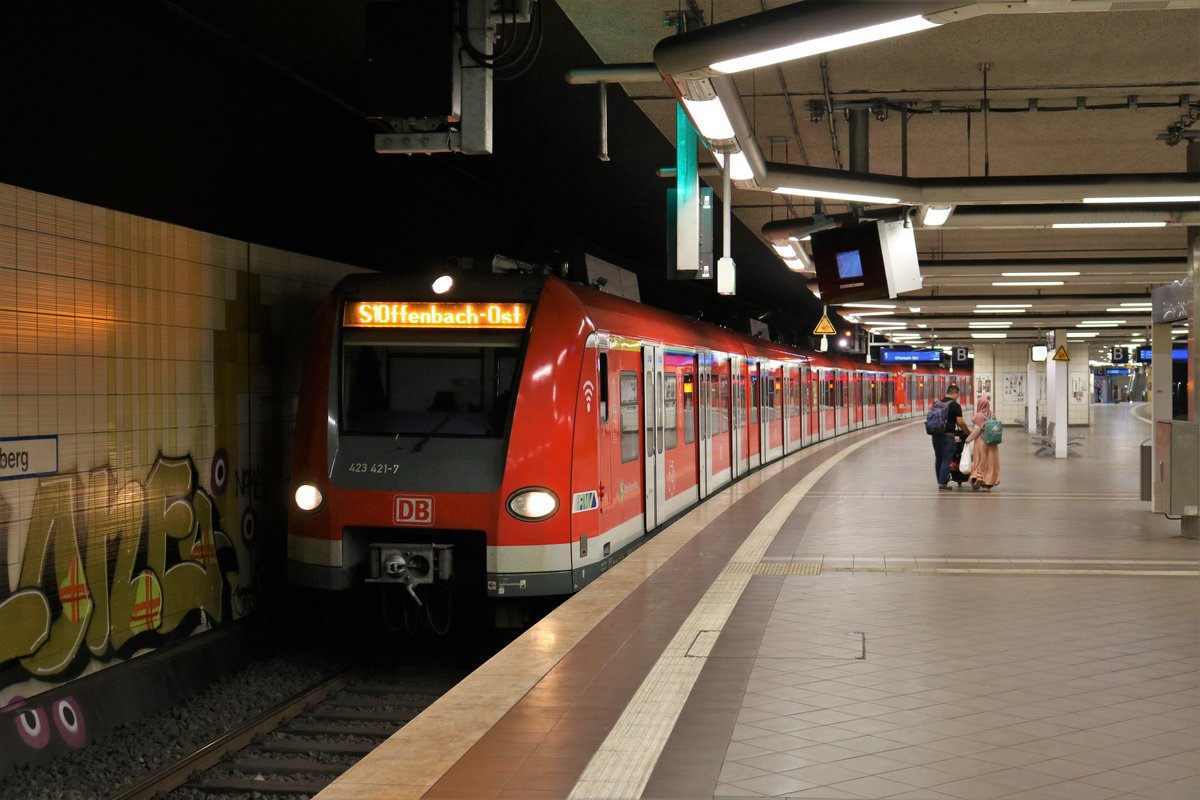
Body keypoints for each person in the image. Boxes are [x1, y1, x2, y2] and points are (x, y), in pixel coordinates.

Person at [933, 383, 971, 491]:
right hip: (948, 436)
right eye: (957, 395)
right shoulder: (955, 405)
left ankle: (940, 481)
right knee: (946, 459)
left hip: (935, 436)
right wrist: (968, 432)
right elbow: (960, 422)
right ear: (954, 393)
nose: (957, 397)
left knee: (938, 458)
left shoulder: (936, 403)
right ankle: (943, 484)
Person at [965, 394, 1000, 492]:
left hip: (981, 441)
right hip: (992, 442)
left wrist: (968, 439)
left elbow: (977, 430)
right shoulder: (992, 414)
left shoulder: (978, 416)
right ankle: (987, 484)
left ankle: (979, 477)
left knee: (980, 460)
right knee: (991, 463)